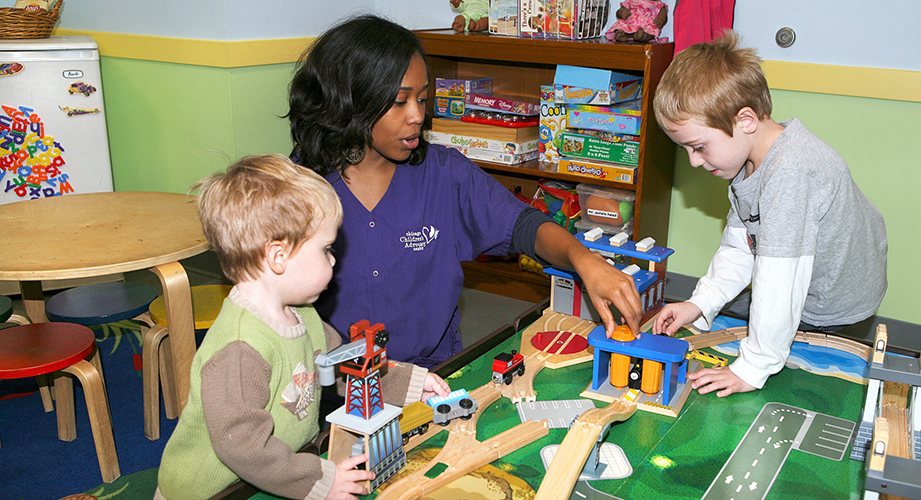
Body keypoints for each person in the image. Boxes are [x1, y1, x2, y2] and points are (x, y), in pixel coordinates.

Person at [287, 15, 643, 368]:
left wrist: (586, 261)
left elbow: (525, 226)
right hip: (334, 385)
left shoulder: (444, 174)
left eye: (423, 100)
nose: (416, 116)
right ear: (350, 100)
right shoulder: (301, 184)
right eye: (399, 101)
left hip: (433, 375)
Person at [156, 155, 450, 500]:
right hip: (211, 491)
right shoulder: (239, 349)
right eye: (326, 249)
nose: (334, 260)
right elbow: (244, 447)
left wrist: (412, 384)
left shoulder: (304, 315)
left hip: (272, 474)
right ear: (278, 256)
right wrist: (319, 481)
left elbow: (347, 369)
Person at [651, 31, 888, 397]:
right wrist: (698, 304)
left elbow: (779, 279)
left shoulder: (789, 173)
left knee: (801, 377)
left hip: (834, 299)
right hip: (807, 277)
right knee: (758, 307)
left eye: (698, 147)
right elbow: (741, 246)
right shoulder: (748, 162)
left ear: (745, 120)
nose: (694, 161)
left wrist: (752, 367)